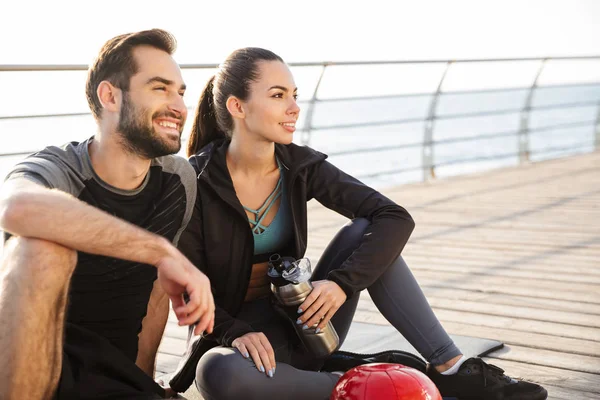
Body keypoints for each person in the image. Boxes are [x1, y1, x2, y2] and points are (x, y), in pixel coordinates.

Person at [171, 47, 548, 400]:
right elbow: (186, 287)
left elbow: (394, 217)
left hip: (307, 328)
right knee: (216, 373)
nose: (294, 108)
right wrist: (235, 332)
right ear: (237, 106)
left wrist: (339, 284)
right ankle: (371, 386)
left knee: (365, 234)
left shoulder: (300, 166)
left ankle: (450, 366)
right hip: (237, 345)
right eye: (278, 95)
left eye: (295, 95)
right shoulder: (196, 181)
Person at [0, 29, 215, 400]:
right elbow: (15, 207)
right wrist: (160, 251)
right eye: (160, 88)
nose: (180, 106)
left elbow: (154, 295)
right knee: (44, 249)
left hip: (112, 377)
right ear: (110, 95)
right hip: (33, 374)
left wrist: (143, 381)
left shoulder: (178, 180)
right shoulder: (58, 169)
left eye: (180, 92)